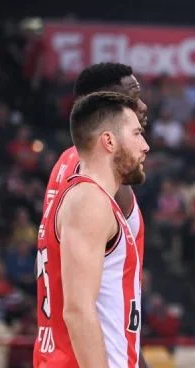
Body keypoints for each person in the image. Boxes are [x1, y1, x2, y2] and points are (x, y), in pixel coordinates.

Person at [34, 91, 149, 367]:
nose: (145, 146)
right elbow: (78, 311)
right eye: (136, 134)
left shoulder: (91, 198)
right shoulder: (89, 200)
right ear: (109, 141)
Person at [43, 62, 148, 265]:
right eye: (132, 98)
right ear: (101, 104)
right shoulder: (90, 174)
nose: (143, 106)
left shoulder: (70, 160)